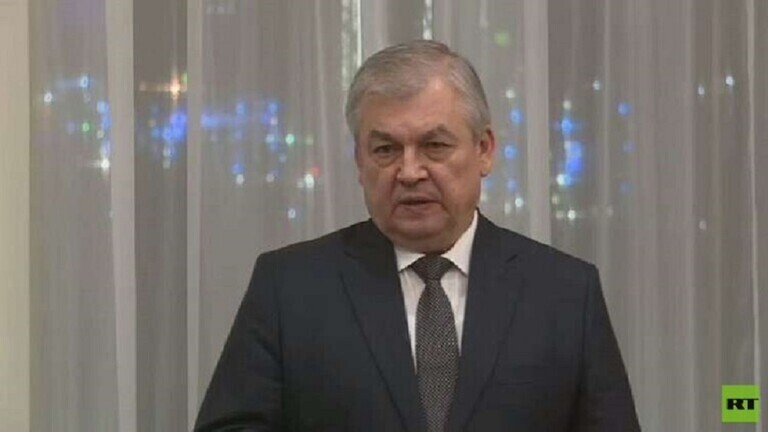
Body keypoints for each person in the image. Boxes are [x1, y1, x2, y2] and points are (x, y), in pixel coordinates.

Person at [195, 40, 640, 431]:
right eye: (386, 149)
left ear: (484, 150)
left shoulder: (565, 293)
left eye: (435, 146)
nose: (409, 172)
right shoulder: (289, 287)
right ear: (359, 160)